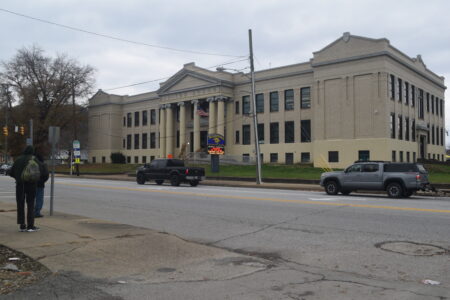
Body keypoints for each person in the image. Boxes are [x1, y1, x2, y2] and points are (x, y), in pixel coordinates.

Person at [9, 145, 39, 232]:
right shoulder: (33, 159)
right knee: (30, 205)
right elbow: (40, 171)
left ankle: (22, 225)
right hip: (31, 185)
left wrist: (18, 177)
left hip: (20, 185)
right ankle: (30, 226)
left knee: (20, 205)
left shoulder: (18, 160)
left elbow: (11, 172)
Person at [34, 153, 49, 218]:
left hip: (32, 184)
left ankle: (31, 211)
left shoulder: (32, 164)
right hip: (40, 185)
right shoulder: (43, 165)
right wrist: (42, 181)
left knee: (31, 199)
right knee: (39, 199)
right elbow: (46, 175)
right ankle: (37, 212)